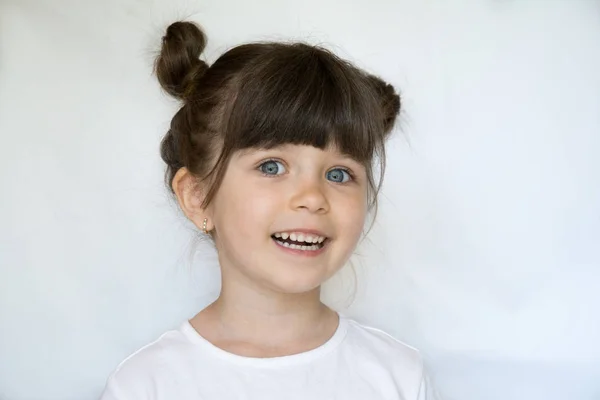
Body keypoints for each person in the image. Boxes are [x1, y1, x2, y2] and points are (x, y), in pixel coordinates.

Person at [100, 20, 437, 400]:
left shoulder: (398, 377)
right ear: (197, 196)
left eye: (339, 173)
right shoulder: (146, 386)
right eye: (271, 166)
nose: (312, 197)